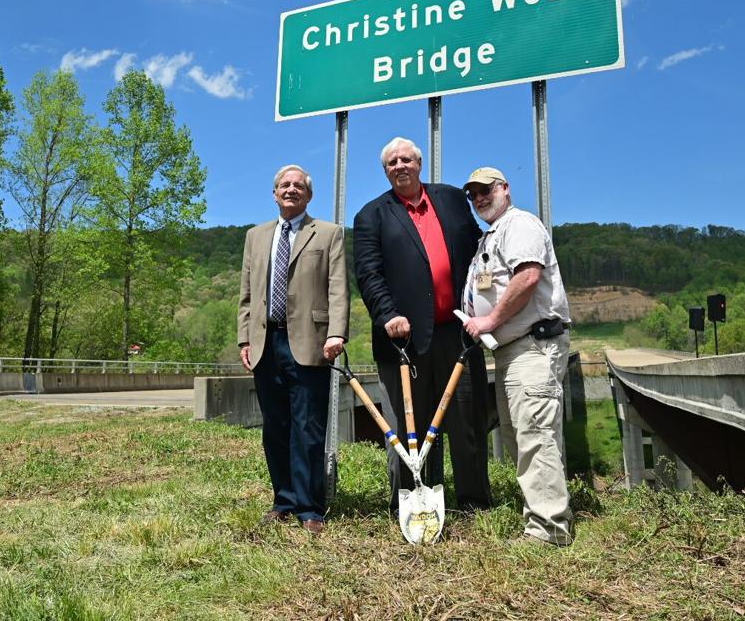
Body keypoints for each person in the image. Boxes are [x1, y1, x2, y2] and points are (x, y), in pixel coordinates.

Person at [353, 137, 492, 515]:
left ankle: (473, 500)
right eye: (392, 162)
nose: (400, 166)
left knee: (465, 420)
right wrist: (387, 314)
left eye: (406, 160)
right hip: (404, 340)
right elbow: (368, 274)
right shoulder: (371, 215)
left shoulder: (450, 199)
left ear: (419, 163)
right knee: (409, 430)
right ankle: (414, 502)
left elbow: (479, 252)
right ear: (385, 171)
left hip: (457, 334)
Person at [459, 166, 574, 546]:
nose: (479, 199)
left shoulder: (520, 224)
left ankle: (549, 529)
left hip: (533, 346)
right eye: (473, 194)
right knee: (519, 434)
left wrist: (489, 319)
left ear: (505, 189)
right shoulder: (491, 236)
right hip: (512, 351)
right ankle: (541, 516)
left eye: (486, 190)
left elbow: (527, 276)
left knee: (535, 435)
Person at [238, 165, 348, 534]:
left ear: (309, 195)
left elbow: (338, 288)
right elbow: (247, 294)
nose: (291, 190)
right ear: (274, 194)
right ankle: (283, 500)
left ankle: (310, 507)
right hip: (266, 342)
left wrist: (337, 333)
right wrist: (245, 339)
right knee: (276, 426)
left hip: (311, 342)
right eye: (284, 185)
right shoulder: (255, 236)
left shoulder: (329, 234)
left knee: (309, 427)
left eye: (298, 186)